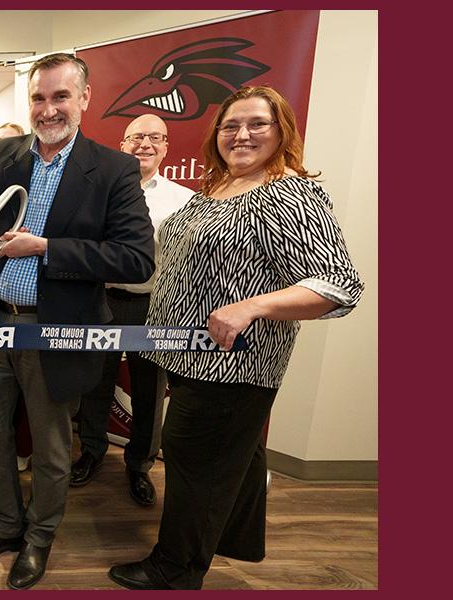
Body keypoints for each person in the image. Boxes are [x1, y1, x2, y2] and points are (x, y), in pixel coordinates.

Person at [108, 86, 363, 591]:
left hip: (233, 366)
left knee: (194, 458)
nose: (241, 135)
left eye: (256, 124)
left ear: (281, 131)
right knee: (233, 457)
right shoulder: (223, 186)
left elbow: (340, 286)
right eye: (230, 126)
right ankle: (234, 539)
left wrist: (254, 305)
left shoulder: (288, 194)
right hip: (184, 356)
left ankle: (175, 568)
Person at [0, 53, 154, 590]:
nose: (49, 108)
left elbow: (136, 258)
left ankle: (39, 538)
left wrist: (47, 249)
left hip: (55, 331)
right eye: (39, 97)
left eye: (61, 97)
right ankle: (7, 527)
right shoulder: (4, 154)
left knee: (53, 448)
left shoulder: (112, 169)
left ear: (84, 99)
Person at [70, 114, 194, 506]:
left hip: (153, 305)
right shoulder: (98, 192)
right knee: (94, 382)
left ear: (166, 147)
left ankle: (139, 464)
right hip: (101, 300)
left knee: (149, 390)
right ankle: (90, 451)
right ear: (122, 145)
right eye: (137, 137)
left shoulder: (184, 200)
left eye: (155, 138)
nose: (145, 144)